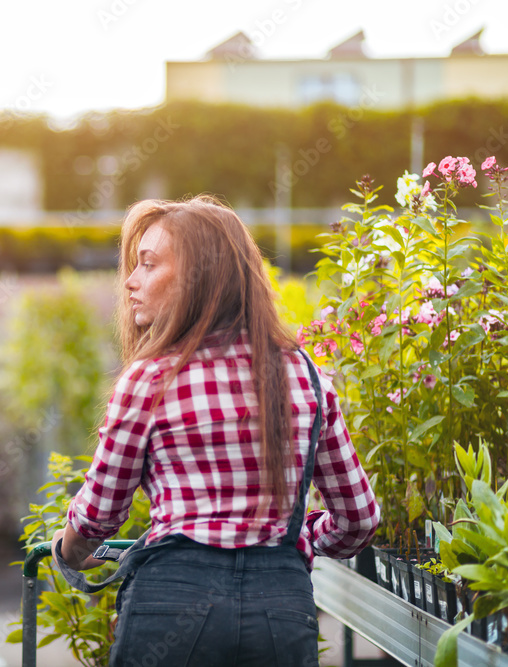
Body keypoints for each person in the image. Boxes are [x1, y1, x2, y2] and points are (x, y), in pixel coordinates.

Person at [52, 195, 380, 666]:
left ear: (197, 276)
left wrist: (69, 550)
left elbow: (100, 515)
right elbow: (359, 521)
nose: (130, 281)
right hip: (280, 612)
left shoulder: (149, 380)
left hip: (172, 606)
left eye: (147, 264)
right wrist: (297, 538)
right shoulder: (306, 377)